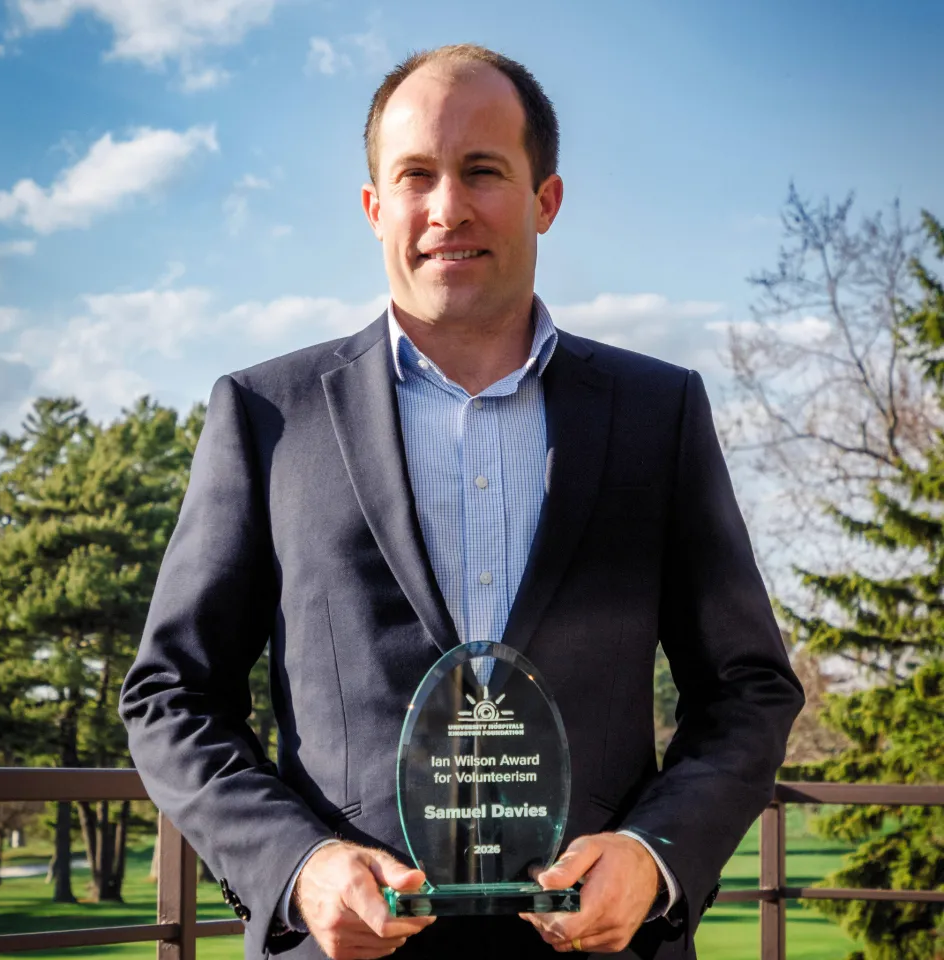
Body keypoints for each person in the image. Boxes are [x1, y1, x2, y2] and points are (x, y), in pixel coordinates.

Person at [120, 44, 804, 960]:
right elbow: (171, 693)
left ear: (545, 200)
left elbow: (749, 689)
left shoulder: (658, 412)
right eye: (416, 177)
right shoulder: (265, 416)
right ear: (374, 208)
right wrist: (298, 866)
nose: (448, 208)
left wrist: (652, 854)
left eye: (483, 171)